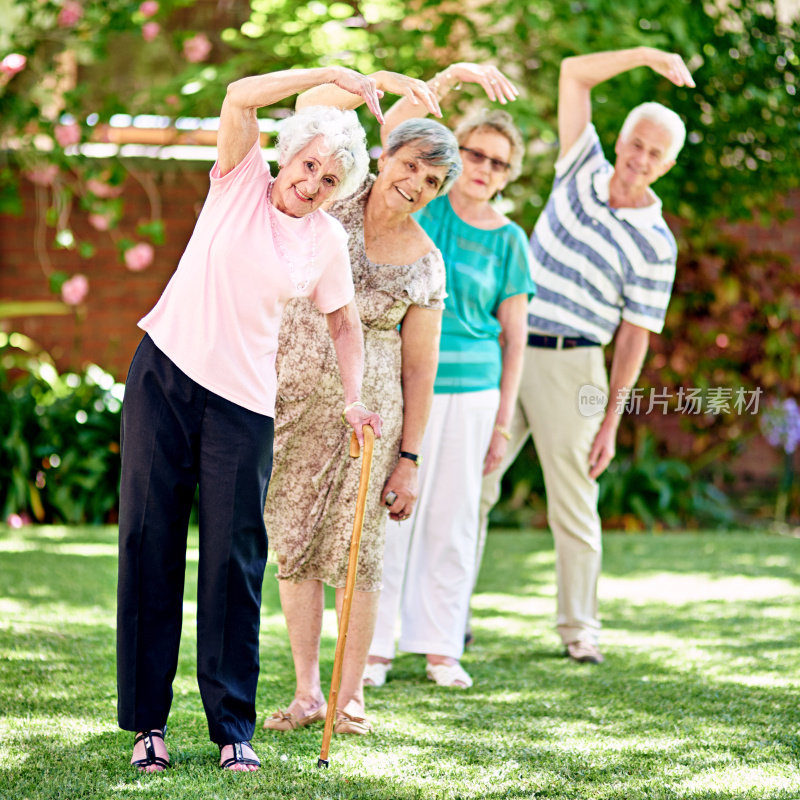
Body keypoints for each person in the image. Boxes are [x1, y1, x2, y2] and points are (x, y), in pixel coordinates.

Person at [116, 65, 386, 773]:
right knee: (150, 541)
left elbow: (346, 326)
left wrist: (354, 396)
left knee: (235, 562)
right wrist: (330, 74)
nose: (312, 183)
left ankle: (233, 728)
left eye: (329, 180)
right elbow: (239, 94)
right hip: (164, 375)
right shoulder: (239, 179)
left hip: (242, 405)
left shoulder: (325, 240)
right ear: (289, 154)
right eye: (308, 165)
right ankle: (148, 725)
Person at [478, 47, 694, 665]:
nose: (640, 158)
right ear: (621, 137)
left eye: (655, 153)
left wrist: (612, 420)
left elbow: (634, 335)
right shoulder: (579, 165)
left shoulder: (657, 243)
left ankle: (579, 631)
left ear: (668, 164)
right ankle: (445, 624)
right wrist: (648, 56)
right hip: (505, 348)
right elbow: (574, 72)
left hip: (576, 366)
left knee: (574, 504)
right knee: (475, 484)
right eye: (636, 143)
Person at [261, 72, 462, 735]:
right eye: (410, 166)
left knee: (356, 553)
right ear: (385, 157)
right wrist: (420, 81)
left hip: (368, 423)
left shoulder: (428, 263)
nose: (415, 184)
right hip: (289, 400)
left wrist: (409, 457)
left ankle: (349, 699)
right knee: (294, 543)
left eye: (431, 181)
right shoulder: (329, 204)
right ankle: (305, 694)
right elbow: (312, 111)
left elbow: (420, 367)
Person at [360, 63, 533, 689]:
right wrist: (454, 77)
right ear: (458, 156)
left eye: (499, 163)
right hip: (409, 385)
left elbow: (516, 341)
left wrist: (504, 424)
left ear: (509, 174)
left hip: (477, 391)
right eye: (476, 155)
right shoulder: (423, 205)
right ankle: (374, 648)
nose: (485, 169)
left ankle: (439, 647)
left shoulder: (512, 240)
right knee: (393, 508)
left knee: (455, 518)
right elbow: (404, 129)